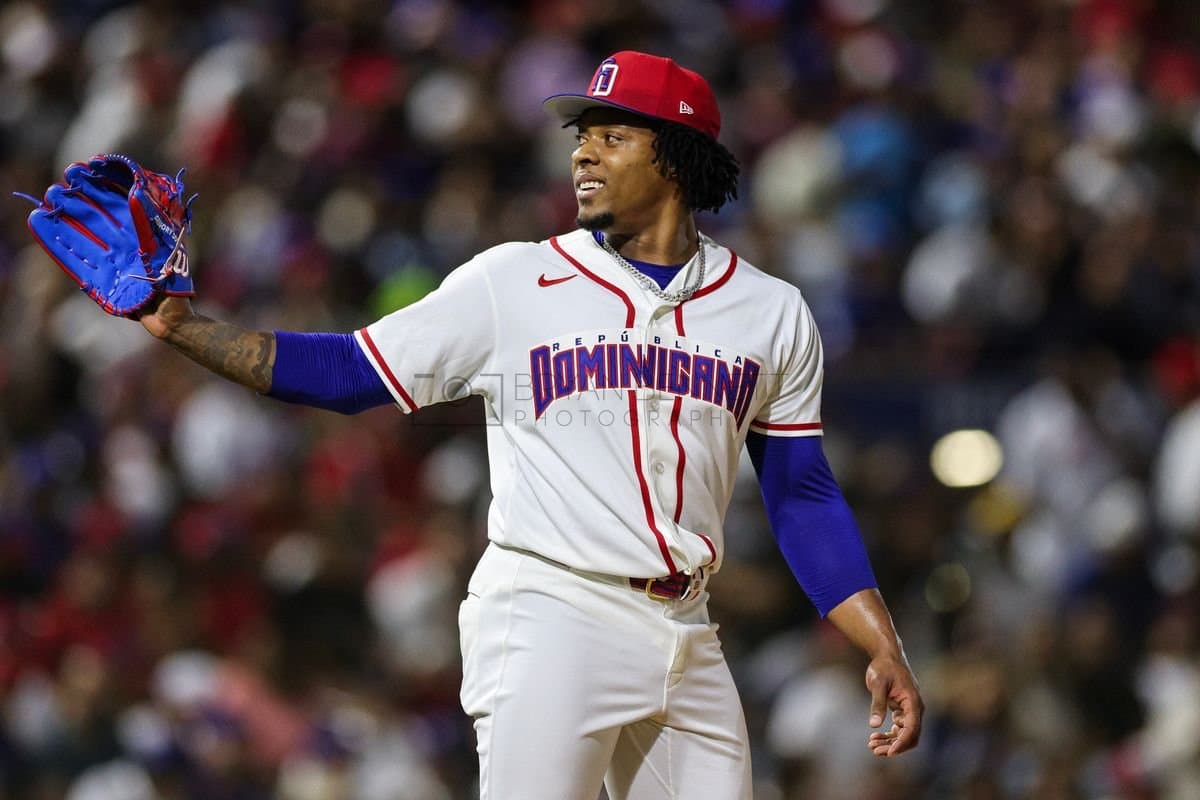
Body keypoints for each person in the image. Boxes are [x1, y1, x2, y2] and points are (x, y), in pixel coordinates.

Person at [133, 50, 922, 799]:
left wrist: (878, 637)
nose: (584, 155)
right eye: (583, 137)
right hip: (553, 611)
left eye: (613, 136)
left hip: (688, 626)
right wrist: (187, 330)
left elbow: (800, 490)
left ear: (678, 155)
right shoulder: (514, 280)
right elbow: (347, 374)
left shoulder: (771, 310)